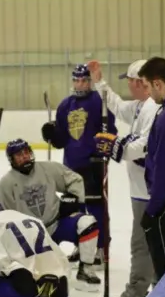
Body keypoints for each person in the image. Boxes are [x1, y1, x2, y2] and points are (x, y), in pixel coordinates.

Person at [87, 59, 159, 297]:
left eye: (128, 80)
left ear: (140, 82)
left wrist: (117, 147)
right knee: (152, 243)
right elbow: (116, 105)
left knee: (142, 245)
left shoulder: (153, 109)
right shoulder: (141, 106)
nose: (127, 85)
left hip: (150, 190)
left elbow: (145, 145)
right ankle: (158, 292)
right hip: (141, 189)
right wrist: (99, 81)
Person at [0, 139, 100, 292]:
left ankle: (86, 269)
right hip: (31, 236)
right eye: (19, 155)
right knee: (46, 276)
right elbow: (2, 216)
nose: (24, 157)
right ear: (12, 159)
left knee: (87, 223)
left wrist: (74, 199)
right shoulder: (6, 183)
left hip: (56, 224)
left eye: (26, 152)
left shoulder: (47, 169)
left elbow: (74, 179)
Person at [41, 64, 118, 268]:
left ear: (90, 81)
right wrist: (51, 134)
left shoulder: (98, 102)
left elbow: (110, 131)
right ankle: (81, 246)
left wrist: (102, 153)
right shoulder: (66, 105)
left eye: (84, 80)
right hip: (70, 166)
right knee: (76, 209)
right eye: (76, 80)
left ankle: (100, 249)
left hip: (92, 164)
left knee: (96, 208)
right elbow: (61, 139)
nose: (80, 84)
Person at [138, 57, 165, 281]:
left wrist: (152, 210)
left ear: (158, 83)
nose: (148, 93)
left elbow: (164, 168)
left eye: (148, 86)